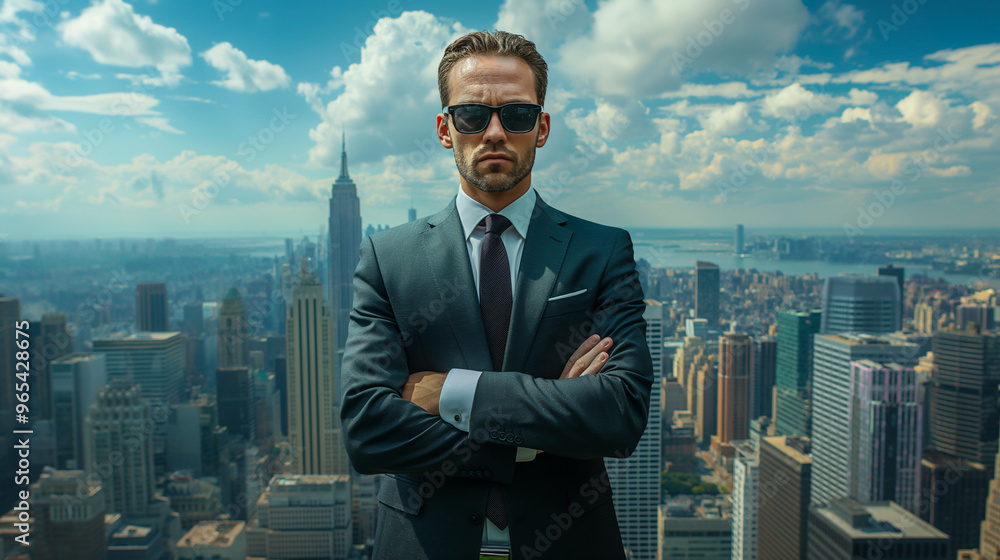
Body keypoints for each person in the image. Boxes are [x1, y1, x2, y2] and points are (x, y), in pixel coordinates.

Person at [340, 29, 653, 560]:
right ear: (445, 129)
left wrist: (456, 395)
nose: (493, 132)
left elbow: (619, 415)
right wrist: (531, 436)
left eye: (517, 115)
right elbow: (368, 429)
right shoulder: (387, 258)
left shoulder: (601, 250)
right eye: (471, 115)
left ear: (542, 128)